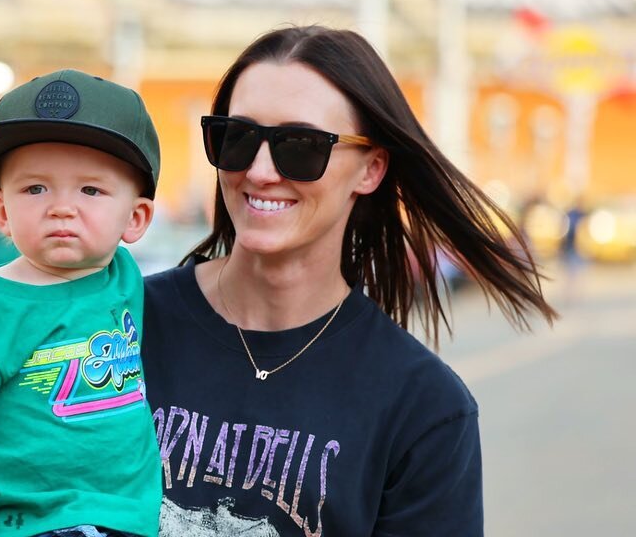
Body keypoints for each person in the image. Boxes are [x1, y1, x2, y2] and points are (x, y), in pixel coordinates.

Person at [141, 26, 558, 536]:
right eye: (238, 137)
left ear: (371, 170)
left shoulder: (424, 407)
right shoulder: (117, 324)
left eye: (300, 145)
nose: (260, 170)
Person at [0, 69, 163, 537]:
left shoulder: (124, 278)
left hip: (120, 514)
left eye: (91, 190)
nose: (61, 207)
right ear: (2, 212)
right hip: (22, 520)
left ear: (136, 217)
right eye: (35, 188)